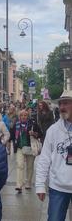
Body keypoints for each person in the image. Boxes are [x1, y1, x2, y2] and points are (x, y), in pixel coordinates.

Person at [36, 91, 72, 221]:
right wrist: (40, 184)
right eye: (61, 103)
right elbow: (44, 158)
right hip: (58, 187)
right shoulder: (53, 130)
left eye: (66, 103)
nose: (62, 107)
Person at [15, 109, 42, 193]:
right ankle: (19, 185)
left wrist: (34, 133)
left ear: (28, 116)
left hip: (30, 148)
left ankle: (28, 183)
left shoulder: (33, 124)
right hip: (20, 147)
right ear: (19, 116)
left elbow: (40, 134)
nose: (23, 117)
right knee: (20, 165)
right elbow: (13, 135)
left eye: (25, 115)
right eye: (22, 115)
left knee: (30, 167)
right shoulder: (17, 124)